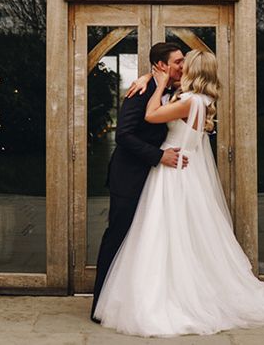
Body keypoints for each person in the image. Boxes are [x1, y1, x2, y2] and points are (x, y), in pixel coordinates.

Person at [93, 49, 264, 337]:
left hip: (173, 173)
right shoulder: (198, 99)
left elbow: (151, 116)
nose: (181, 66)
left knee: (165, 236)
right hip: (175, 171)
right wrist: (150, 77)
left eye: (185, 63)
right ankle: (170, 291)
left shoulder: (190, 101)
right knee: (174, 237)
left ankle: (170, 297)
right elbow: (131, 130)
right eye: (178, 61)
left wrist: (158, 83)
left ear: (193, 71)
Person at [90, 42, 186, 321]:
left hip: (157, 181)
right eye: (177, 61)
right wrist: (159, 156)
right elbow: (124, 136)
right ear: (161, 65)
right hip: (129, 177)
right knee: (117, 236)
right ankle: (99, 305)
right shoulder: (140, 92)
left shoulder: (172, 89)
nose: (182, 66)